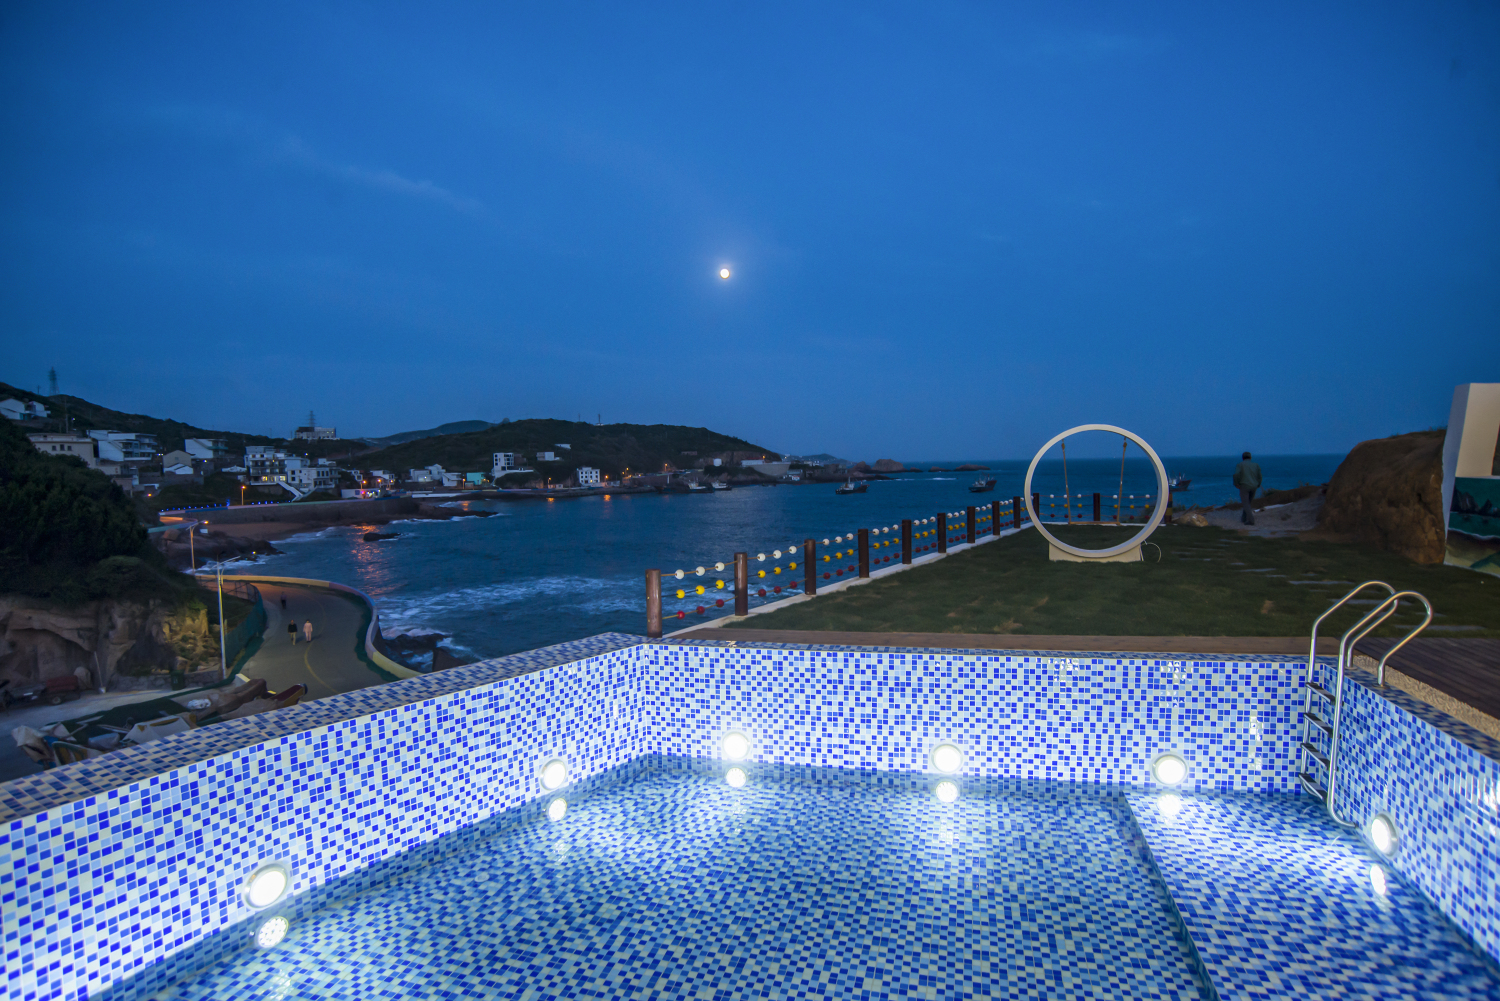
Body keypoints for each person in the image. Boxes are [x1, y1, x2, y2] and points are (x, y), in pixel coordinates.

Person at [1233, 451, 1263, 525]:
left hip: (1244, 486)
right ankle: (1244, 518)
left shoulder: (1240, 465)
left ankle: (1251, 520)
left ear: (1243, 458)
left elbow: (1236, 474)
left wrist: (1236, 483)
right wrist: (1258, 484)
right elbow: (1260, 476)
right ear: (1250, 457)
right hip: (1254, 486)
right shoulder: (1256, 465)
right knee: (1248, 502)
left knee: (1246, 503)